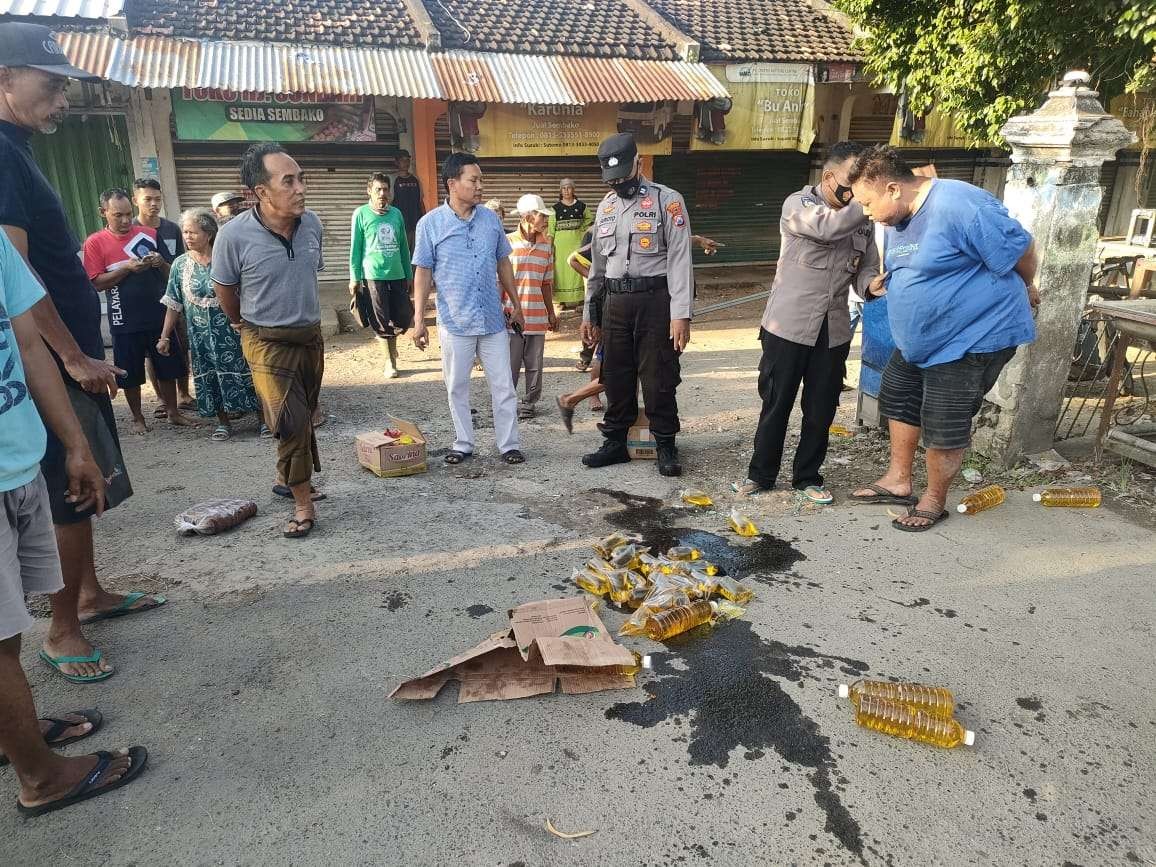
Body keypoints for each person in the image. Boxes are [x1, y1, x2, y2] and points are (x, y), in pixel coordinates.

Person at [1, 22, 166, 685]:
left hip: (66, 352)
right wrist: (70, 356)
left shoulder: (18, 148)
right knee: (70, 487)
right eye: (51, 84)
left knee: (87, 481)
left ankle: (89, 595)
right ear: (5, 79)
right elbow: (11, 278)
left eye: (66, 86)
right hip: (48, 362)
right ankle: (63, 628)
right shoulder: (0, 155)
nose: (63, 99)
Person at [0, 229, 148, 816]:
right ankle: (40, 777)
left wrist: (74, 444)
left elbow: (29, 344)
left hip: (17, 456)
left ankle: (14, 737)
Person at [847, 145, 1038, 531]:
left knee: (944, 420)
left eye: (868, 203)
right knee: (898, 397)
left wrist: (1028, 286)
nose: (866, 213)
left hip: (970, 337)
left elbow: (1022, 248)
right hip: (921, 341)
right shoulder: (899, 218)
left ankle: (934, 499)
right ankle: (898, 482)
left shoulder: (959, 204)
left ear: (892, 189)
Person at [732, 141, 878, 505]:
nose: (854, 191)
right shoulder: (799, 205)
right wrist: (868, 200)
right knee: (776, 403)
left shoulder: (862, 223)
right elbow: (829, 229)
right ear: (829, 177)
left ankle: (807, 476)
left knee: (821, 407)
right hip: (788, 326)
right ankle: (760, 475)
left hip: (834, 329)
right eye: (850, 183)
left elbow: (867, 267)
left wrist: (871, 285)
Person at [211, 142, 326, 539]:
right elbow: (224, 289)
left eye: (301, 179)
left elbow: (309, 276)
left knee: (305, 413)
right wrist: (241, 324)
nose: (300, 188)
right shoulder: (232, 236)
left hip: (310, 336)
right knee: (290, 421)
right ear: (260, 192)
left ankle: (287, 476)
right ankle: (302, 504)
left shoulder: (313, 224)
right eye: (288, 181)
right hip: (265, 341)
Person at [580, 132, 693, 477]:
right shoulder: (605, 207)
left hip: (655, 301)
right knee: (615, 374)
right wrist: (590, 313)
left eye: (623, 176)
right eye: (611, 179)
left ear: (638, 164)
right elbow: (597, 269)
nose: (618, 184)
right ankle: (615, 441)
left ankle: (665, 444)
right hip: (615, 301)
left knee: (659, 375)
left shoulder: (667, 201)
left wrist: (681, 315)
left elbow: (680, 260)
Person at [411, 152, 526, 465]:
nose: (479, 186)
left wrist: (516, 303)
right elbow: (422, 272)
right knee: (457, 386)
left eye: (481, 180)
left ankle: (508, 445)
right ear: (452, 183)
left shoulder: (491, 220)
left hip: (492, 320)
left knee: (503, 385)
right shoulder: (430, 224)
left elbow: (504, 262)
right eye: (473, 180)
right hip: (455, 321)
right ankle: (463, 443)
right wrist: (419, 319)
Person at [83, 188, 191, 434]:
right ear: (103, 213)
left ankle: (173, 411)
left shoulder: (150, 234)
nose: (124, 221)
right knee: (129, 371)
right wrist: (126, 269)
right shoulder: (95, 242)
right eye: (117, 215)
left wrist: (160, 263)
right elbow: (96, 282)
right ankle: (137, 417)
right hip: (124, 318)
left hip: (158, 313)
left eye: (127, 215)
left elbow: (171, 272)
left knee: (168, 365)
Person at [157, 208, 260, 440]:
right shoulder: (180, 265)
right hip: (200, 336)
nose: (188, 237)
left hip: (234, 330)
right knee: (209, 376)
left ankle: (262, 419)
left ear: (209, 233)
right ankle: (223, 423)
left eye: (193, 232)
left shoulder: (227, 257)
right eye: (185, 232)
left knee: (247, 371)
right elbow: (173, 303)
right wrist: (164, 336)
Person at [133, 177, 193, 412]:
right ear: (135, 199)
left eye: (157, 199)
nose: (153, 204)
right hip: (146, 300)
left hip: (173, 296)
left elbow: (181, 262)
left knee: (181, 344)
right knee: (153, 350)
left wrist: (162, 264)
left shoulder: (171, 229)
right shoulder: (132, 230)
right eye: (147, 199)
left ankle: (184, 394)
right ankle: (161, 399)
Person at [349, 172, 413, 380]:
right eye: (378, 189)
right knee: (381, 319)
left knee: (403, 316)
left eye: (386, 189)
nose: (382, 194)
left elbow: (404, 246)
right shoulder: (361, 214)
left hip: (397, 273)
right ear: (369, 191)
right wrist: (354, 277)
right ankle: (390, 361)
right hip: (373, 275)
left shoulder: (396, 214)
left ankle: (391, 347)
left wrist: (409, 274)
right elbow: (356, 249)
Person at [506, 193, 558, 420]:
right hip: (511, 315)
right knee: (510, 363)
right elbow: (500, 281)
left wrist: (551, 313)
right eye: (541, 215)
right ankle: (506, 401)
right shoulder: (507, 243)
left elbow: (546, 283)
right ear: (528, 216)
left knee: (535, 363)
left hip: (537, 315)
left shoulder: (547, 246)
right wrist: (500, 310)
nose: (546, 220)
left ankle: (529, 402)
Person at [549, 178, 592, 310]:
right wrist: (550, 248)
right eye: (563, 188)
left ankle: (579, 300)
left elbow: (589, 220)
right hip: (560, 246)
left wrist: (582, 230)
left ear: (573, 189)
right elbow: (551, 229)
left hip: (576, 243)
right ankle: (561, 301)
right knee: (560, 272)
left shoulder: (582, 206)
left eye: (569, 187)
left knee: (576, 269)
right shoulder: (554, 209)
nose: (566, 190)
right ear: (560, 191)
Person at [392, 149, 424, 253]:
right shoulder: (393, 179)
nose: (406, 163)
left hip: (415, 223)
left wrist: (424, 220)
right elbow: (388, 203)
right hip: (399, 224)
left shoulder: (415, 179)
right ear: (396, 162)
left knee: (415, 254)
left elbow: (420, 202)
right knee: (401, 253)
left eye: (407, 160)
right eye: (402, 160)